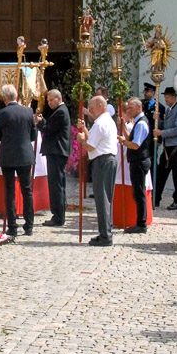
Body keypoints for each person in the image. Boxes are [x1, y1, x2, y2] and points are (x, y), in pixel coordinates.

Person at [0, 85, 38, 238]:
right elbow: (33, 136)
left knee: (10, 191)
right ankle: (29, 225)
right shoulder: (28, 111)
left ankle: (12, 226)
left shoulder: (1, 113)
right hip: (25, 155)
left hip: (8, 156)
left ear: (5, 98)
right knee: (27, 190)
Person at [77, 95, 119, 247]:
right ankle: (105, 232)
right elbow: (93, 141)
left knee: (102, 200)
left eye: (93, 108)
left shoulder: (101, 123)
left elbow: (90, 146)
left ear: (101, 106)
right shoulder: (107, 122)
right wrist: (85, 131)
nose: (91, 111)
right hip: (107, 160)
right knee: (104, 198)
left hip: (102, 161)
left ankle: (106, 236)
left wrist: (81, 139)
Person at [37, 90, 71, 227]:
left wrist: (40, 123)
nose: (49, 103)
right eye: (48, 101)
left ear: (59, 98)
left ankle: (58, 216)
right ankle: (58, 214)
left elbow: (49, 129)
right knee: (57, 183)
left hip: (57, 151)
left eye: (51, 100)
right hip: (56, 151)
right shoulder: (59, 111)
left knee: (56, 184)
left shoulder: (61, 112)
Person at [119, 97, 152, 234]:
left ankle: (141, 223)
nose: (128, 111)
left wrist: (123, 142)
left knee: (139, 193)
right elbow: (131, 138)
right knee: (137, 191)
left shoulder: (141, 124)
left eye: (130, 108)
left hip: (139, 160)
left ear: (139, 108)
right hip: (137, 160)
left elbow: (135, 144)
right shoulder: (138, 122)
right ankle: (140, 222)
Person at [155, 87, 177, 210]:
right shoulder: (169, 110)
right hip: (167, 146)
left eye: (168, 97)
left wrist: (161, 133)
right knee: (161, 173)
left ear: (174, 97)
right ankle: (156, 197)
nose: (166, 99)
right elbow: (165, 125)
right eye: (165, 97)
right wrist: (158, 120)